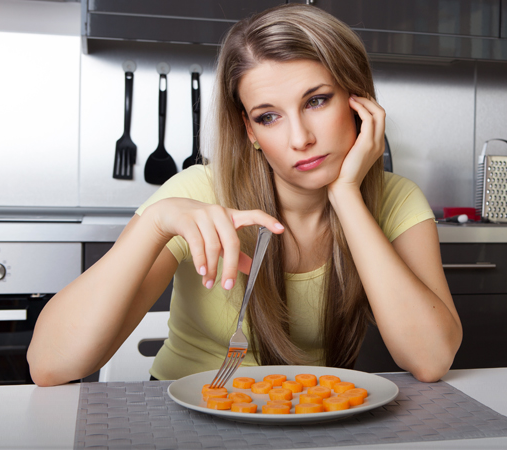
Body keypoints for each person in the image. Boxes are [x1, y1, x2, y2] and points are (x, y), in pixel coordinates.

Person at [27, 4, 462, 386]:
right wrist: (155, 223)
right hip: (186, 419)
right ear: (249, 131)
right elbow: (50, 366)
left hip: (306, 415)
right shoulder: (198, 191)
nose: (300, 138)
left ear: (358, 98)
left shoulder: (397, 200)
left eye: (317, 101)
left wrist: (346, 195)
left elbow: (430, 360)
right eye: (269, 116)